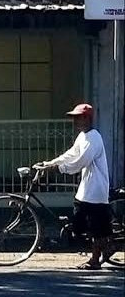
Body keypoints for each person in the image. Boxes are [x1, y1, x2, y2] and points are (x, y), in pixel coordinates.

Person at [37, 103, 111, 270]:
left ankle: (96, 258)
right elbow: (71, 154)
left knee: (95, 227)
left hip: (96, 189)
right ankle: (100, 245)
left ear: (87, 118)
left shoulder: (94, 138)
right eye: (74, 118)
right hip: (86, 187)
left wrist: (58, 169)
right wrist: (50, 163)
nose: (75, 121)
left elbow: (80, 162)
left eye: (78, 118)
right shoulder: (83, 136)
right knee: (79, 222)